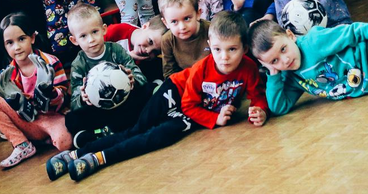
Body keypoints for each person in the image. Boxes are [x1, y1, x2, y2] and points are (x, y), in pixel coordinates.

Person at [46, 11, 268, 182]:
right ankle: (75, 155)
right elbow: (189, 104)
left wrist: (260, 110)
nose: (224, 57)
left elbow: (257, 95)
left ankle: (98, 159)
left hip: (193, 114)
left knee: (157, 138)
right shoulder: (203, 68)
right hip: (175, 92)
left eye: (232, 49)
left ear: (245, 49)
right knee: (138, 129)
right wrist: (215, 118)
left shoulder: (248, 69)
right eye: (218, 49)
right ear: (210, 46)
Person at [0, 13, 71, 168]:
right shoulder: (10, 73)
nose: (17, 47)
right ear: (4, 46)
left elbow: (63, 99)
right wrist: (16, 102)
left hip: (52, 118)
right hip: (28, 121)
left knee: (65, 143)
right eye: (10, 43)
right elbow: (18, 108)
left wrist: (50, 94)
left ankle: (41, 139)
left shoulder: (50, 62)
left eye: (21, 39)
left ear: (32, 38)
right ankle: (22, 144)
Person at [64, 4, 153, 148]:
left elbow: (141, 78)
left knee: (149, 89)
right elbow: (74, 103)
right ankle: (110, 129)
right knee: (71, 119)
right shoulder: (78, 64)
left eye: (94, 32)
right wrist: (82, 98)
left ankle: (104, 133)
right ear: (74, 40)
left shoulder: (116, 50)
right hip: (100, 111)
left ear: (104, 29)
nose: (91, 39)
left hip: (124, 102)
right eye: (83, 36)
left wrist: (133, 80)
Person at [157, 0, 211, 77]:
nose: (182, 27)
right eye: (174, 21)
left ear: (198, 13)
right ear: (165, 22)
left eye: (186, 18)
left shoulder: (212, 31)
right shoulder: (167, 40)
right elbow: (169, 72)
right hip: (185, 80)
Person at [104, 17, 167, 82]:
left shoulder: (146, 60)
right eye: (150, 41)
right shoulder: (115, 31)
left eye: (155, 52)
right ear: (145, 27)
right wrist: (127, 57)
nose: (148, 51)